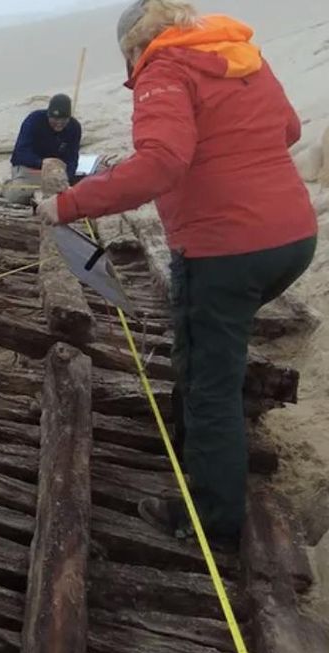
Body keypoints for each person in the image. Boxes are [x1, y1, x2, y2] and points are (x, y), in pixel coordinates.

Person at [37, 0, 317, 552]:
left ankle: (211, 519)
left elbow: (163, 163)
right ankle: (199, 459)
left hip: (228, 248)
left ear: (136, 47)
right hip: (294, 238)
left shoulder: (163, 70)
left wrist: (69, 205)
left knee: (211, 381)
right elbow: (285, 128)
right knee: (207, 354)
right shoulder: (239, 55)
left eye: (127, 58)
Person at [1, 93, 83, 204]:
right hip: (30, 169)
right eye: (54, 119)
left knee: (69, 197)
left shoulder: (74, 128)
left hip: (56, 173)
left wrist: (66, 177)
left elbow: (72, 158)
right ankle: (8, 186)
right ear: (48, 115)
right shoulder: (34, 120)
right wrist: (42, 163)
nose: (58, 124)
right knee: (15, 196)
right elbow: (19, 154)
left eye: (63, 120)